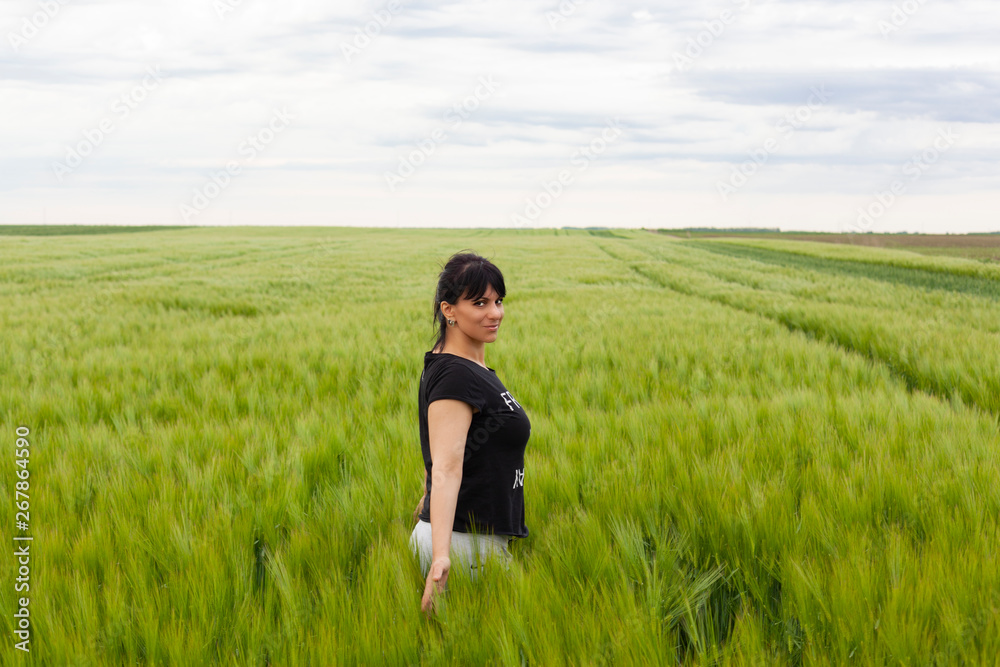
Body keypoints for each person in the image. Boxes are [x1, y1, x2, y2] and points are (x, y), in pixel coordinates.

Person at [409, 251, 531, 613]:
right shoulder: (455, 374)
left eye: (498, 301)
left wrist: (428, 488)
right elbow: (448, 466)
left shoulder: (466, 366)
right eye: (479, 303)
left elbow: (450, 445)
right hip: (466, 544)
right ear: (449, 310)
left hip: (471, 540)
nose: (495, 313)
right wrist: (442, 557)